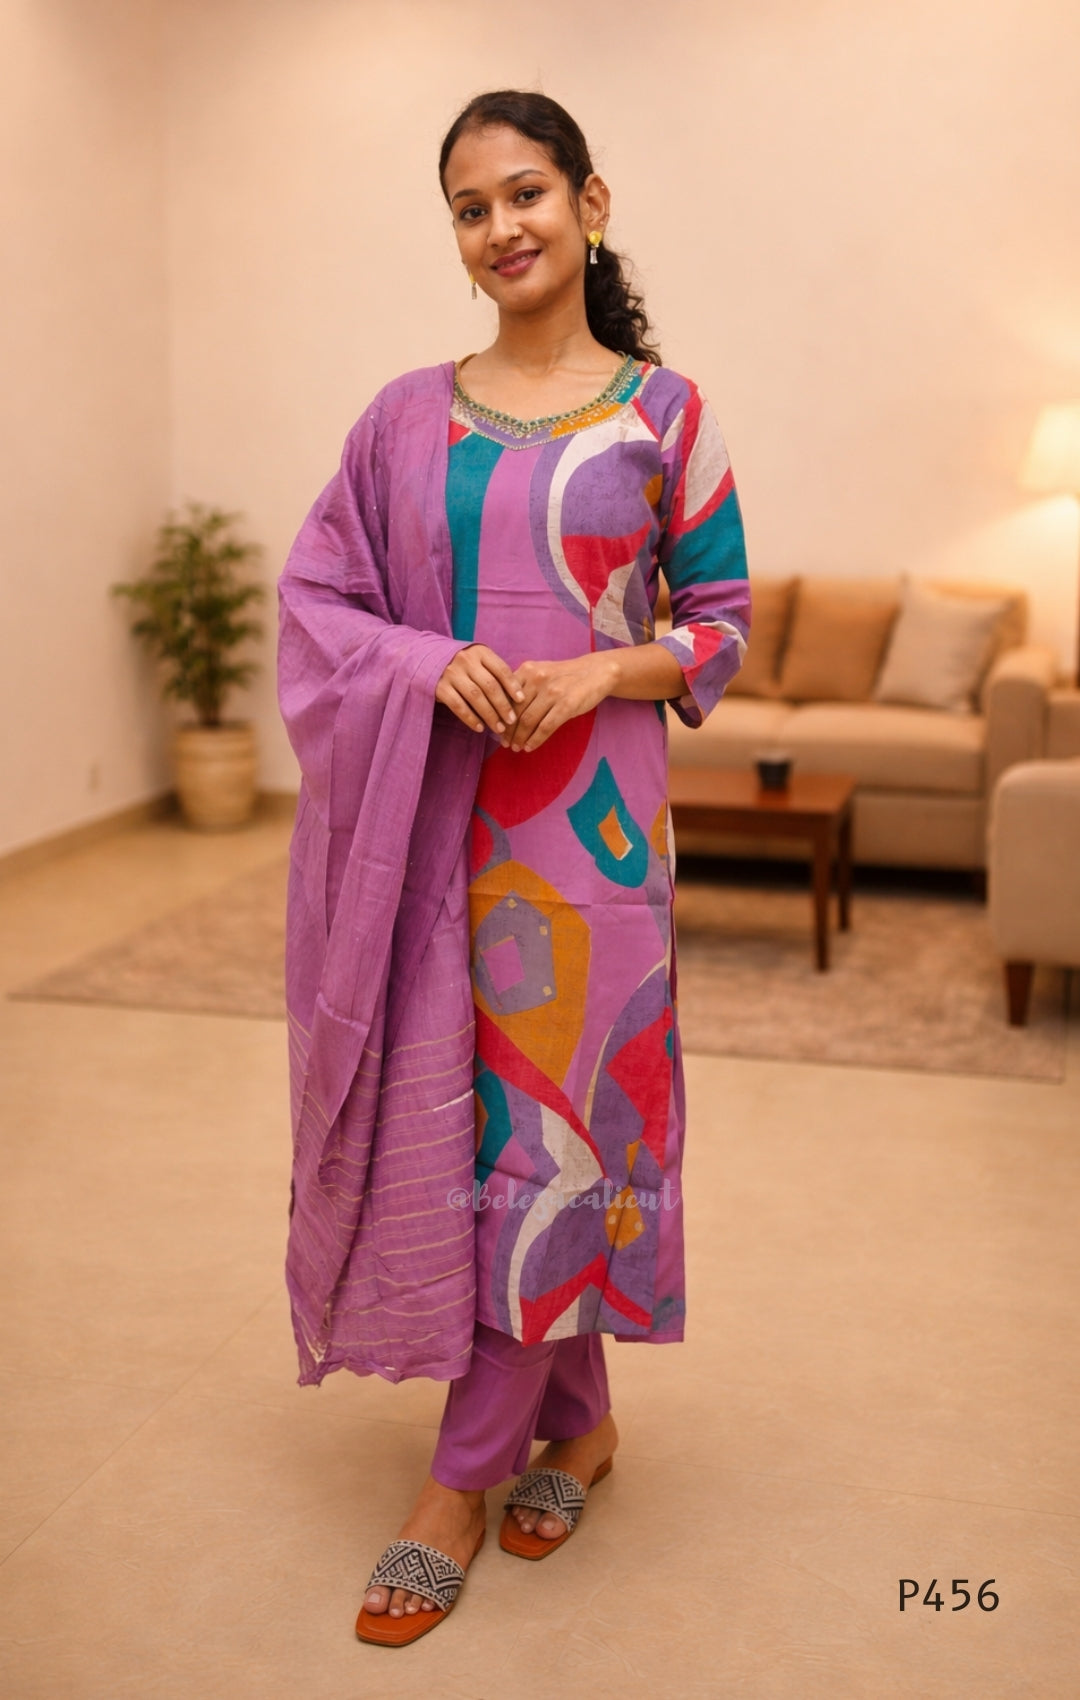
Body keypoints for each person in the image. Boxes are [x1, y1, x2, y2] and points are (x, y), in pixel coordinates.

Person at [276, 89, 750, 1647]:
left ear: (591, 203)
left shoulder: (665, 414)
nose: (503, 228)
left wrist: (604, 673)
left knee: (560, 1131)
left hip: (596, 848)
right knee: (473, 1119)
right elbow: (323, 598)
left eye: (528, 192)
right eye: (472, 207)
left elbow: (725, 624)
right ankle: (583, 1422)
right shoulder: (405, 419)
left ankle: (459, 1480)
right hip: (441, 835)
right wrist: (430, 662)